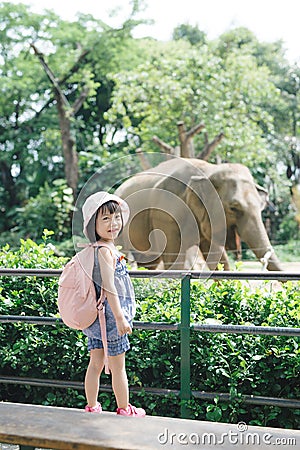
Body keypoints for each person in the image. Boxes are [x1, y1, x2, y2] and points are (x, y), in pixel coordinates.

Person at [81, 191, 146, 417]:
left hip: (96, 319)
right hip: (110, 319)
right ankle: (124, 409)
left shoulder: (97, 249)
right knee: (118, 367)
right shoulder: (105, 252)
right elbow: (109, 288)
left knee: (96, 364)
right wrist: (120, 318)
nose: (113, 223)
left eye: (116, 217)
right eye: (105, 219)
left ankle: (92, 406)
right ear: (93, 224)